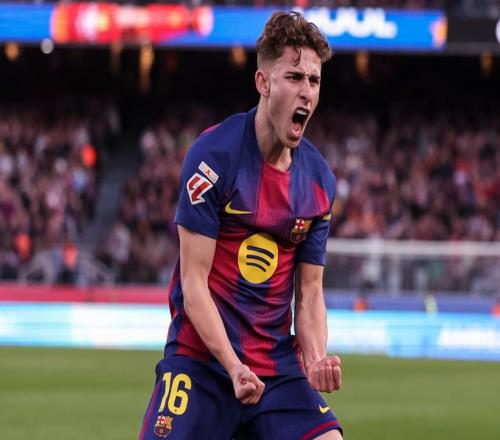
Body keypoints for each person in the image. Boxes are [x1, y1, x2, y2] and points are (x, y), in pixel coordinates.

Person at [139, 11, 343, 440]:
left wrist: (315, 358)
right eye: (294, 77)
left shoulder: (319, 182)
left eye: (314, 80)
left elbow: (309, 294)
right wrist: (233, 366)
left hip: (276, 366)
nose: (306, 92)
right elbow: (193, 283)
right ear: (263, 83)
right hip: (201, 362)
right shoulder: (213, 158)